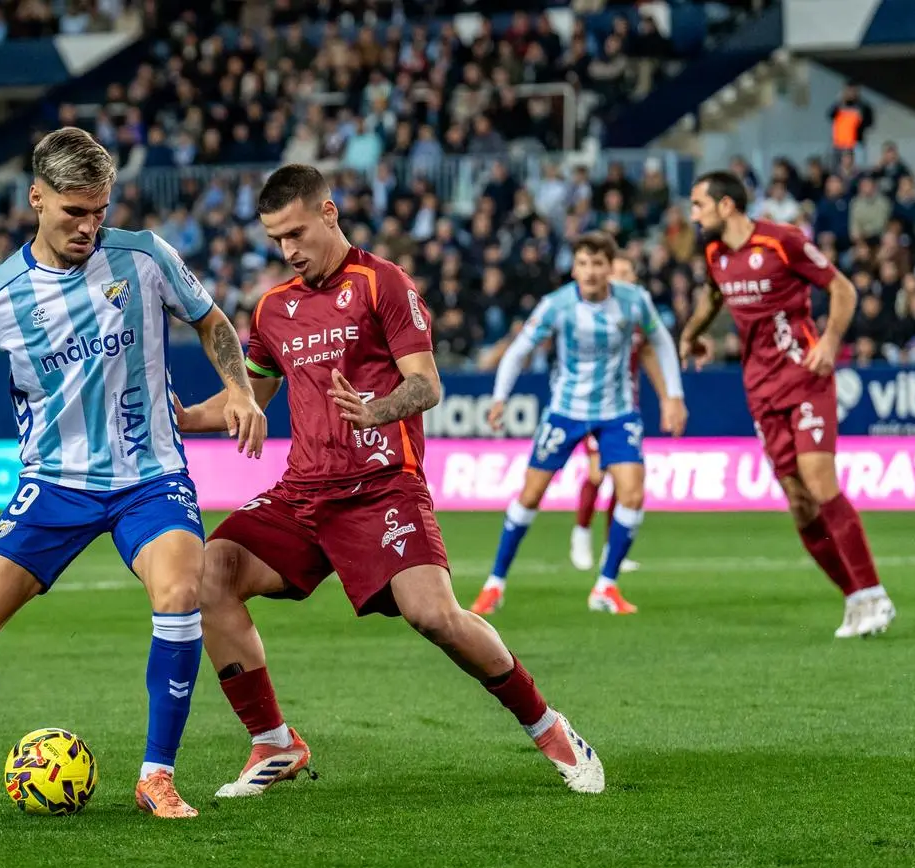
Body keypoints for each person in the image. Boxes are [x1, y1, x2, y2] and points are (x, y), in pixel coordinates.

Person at [0, 127, 266, 818]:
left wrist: (241, 389)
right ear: (36, 198)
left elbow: (212, 321)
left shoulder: (143, 257)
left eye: (99, 211)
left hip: (150, 475)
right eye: (74, 212)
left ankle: (157, 776)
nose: (88, 226)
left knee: (178, 595)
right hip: (54, 481)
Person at [174, 164, 604, 800]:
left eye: (296, 232)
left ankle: (549, 727)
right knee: (211, 574)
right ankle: (272, 742)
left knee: (434, 617)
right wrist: (185, 418)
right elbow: (249, 396)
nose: (288, 251)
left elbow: (428, 383)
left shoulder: (384, 284)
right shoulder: (273, 308)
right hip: (304, 492)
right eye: (275, 240)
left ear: (329, 213)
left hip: (382, 486)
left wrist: (374, 411)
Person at [683, 170, 895, 638]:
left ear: (726, 206)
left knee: (819, 479)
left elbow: (842, 288)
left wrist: (830, 341)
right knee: (799, 502)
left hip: (804, 375)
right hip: (759, 389)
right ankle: (856, 598)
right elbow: (714, 295)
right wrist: (692, 334)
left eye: (698, 205)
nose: (692, 215)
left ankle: (875, 592)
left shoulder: (783, 241)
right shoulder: (715, 253)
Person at [471, 232, 687, 617]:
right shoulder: (557, 305)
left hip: (617, 411)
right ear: (574, 268)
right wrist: (500, 396)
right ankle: (495, 584)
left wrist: (673, 396)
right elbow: (520, 348)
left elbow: (661, 343)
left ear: (609, 268)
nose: (590, 272)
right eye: (583, 264)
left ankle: (606, 585)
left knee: (633, 494)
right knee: (531, 495)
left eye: (597, 264)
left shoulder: (633, 301)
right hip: (566, 410)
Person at [569, 256, 668, 572]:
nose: (623, 278)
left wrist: (668, 397)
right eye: (618, 273)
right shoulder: (591, 311)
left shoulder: (636, 314)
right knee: (598, 473)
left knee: (624, 480)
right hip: (591, 405)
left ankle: (612, 550)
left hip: (625, 408)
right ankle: (581, 535)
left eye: (628, 273)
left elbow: (652, 352)